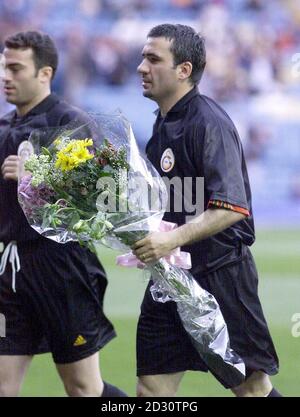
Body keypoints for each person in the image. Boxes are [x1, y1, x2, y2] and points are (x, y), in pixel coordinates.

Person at [134, 23, 282, 397]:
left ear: (183, 70)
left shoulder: (208, 122)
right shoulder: (162, 125)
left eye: (153, 58)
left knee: (252, 388)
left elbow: (231, 208)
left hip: (220, 277)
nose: (141, 67)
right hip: (170, 280)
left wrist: (171, 241)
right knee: (151, 389)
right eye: (142, 57)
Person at [0, 31, 126, 397]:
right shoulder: (5, 126)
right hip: (11, 268)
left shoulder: (71, 123)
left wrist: (38, 173)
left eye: (16, 68)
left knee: (83, 388)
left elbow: (103, 195)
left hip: (61, 267)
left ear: (45, 73)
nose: (6, 76)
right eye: (4, 67)